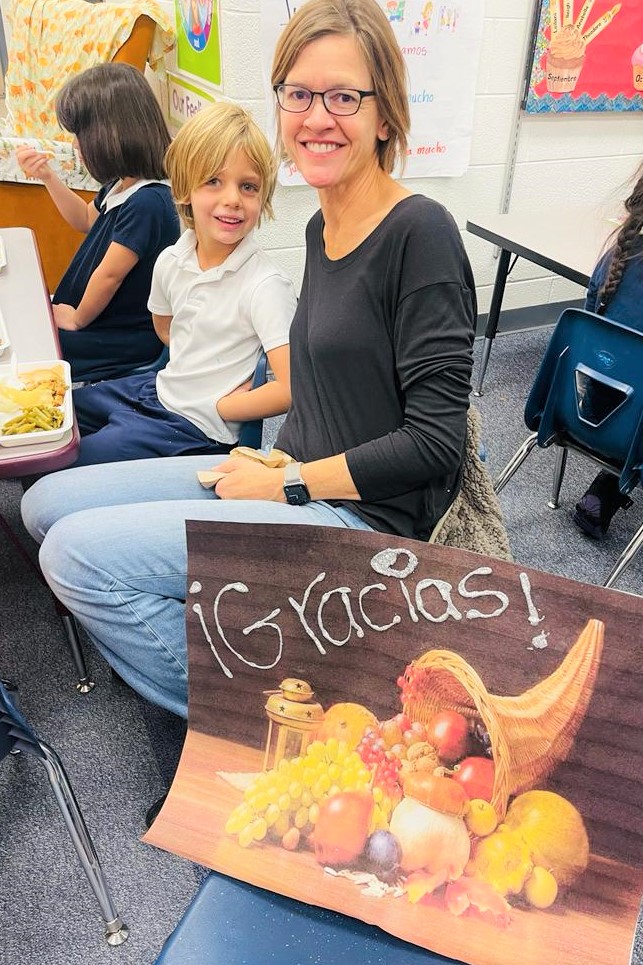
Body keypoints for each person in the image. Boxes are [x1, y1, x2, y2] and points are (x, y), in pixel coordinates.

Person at [22, 0, 476, 720]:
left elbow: (434, 442)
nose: (316, 117)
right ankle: (239, 631)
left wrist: (292, 480)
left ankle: (242, 720)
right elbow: (326, 398)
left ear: (384, 115)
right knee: (44, 502)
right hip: (293, 477)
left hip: (364, 523)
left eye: (343, 97)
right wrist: (275, 462)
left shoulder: (419, 233)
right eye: (297, 94)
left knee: (75, 557)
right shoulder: (324, 226)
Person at [65, 101, 295, 467]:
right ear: (185, 188)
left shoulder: (266, 285)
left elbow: (290, 386)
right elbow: (167, 329)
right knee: (61, 413)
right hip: (158, 390)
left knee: (73, 458)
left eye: (248, 186)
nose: (232, 199)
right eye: (213, 181)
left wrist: (225, 404)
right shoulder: (171, 260)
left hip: (195, 428)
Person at [16, 63, 180, 383]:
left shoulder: (148, 202)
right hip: (97, 320)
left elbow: (109, 276)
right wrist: (48, 177)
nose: (76, 144)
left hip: (119, 340)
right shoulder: (121, 185)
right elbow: (83, 219)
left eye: (80, 134)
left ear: (110, 132)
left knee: (28, 343)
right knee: (24, 319)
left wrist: (76, 319)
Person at [573, 163, 643, 539]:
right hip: (633, 431)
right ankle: (606, 489)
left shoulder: (618, 253)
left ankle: (605, 490)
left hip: (584, 411)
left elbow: (587, 336)